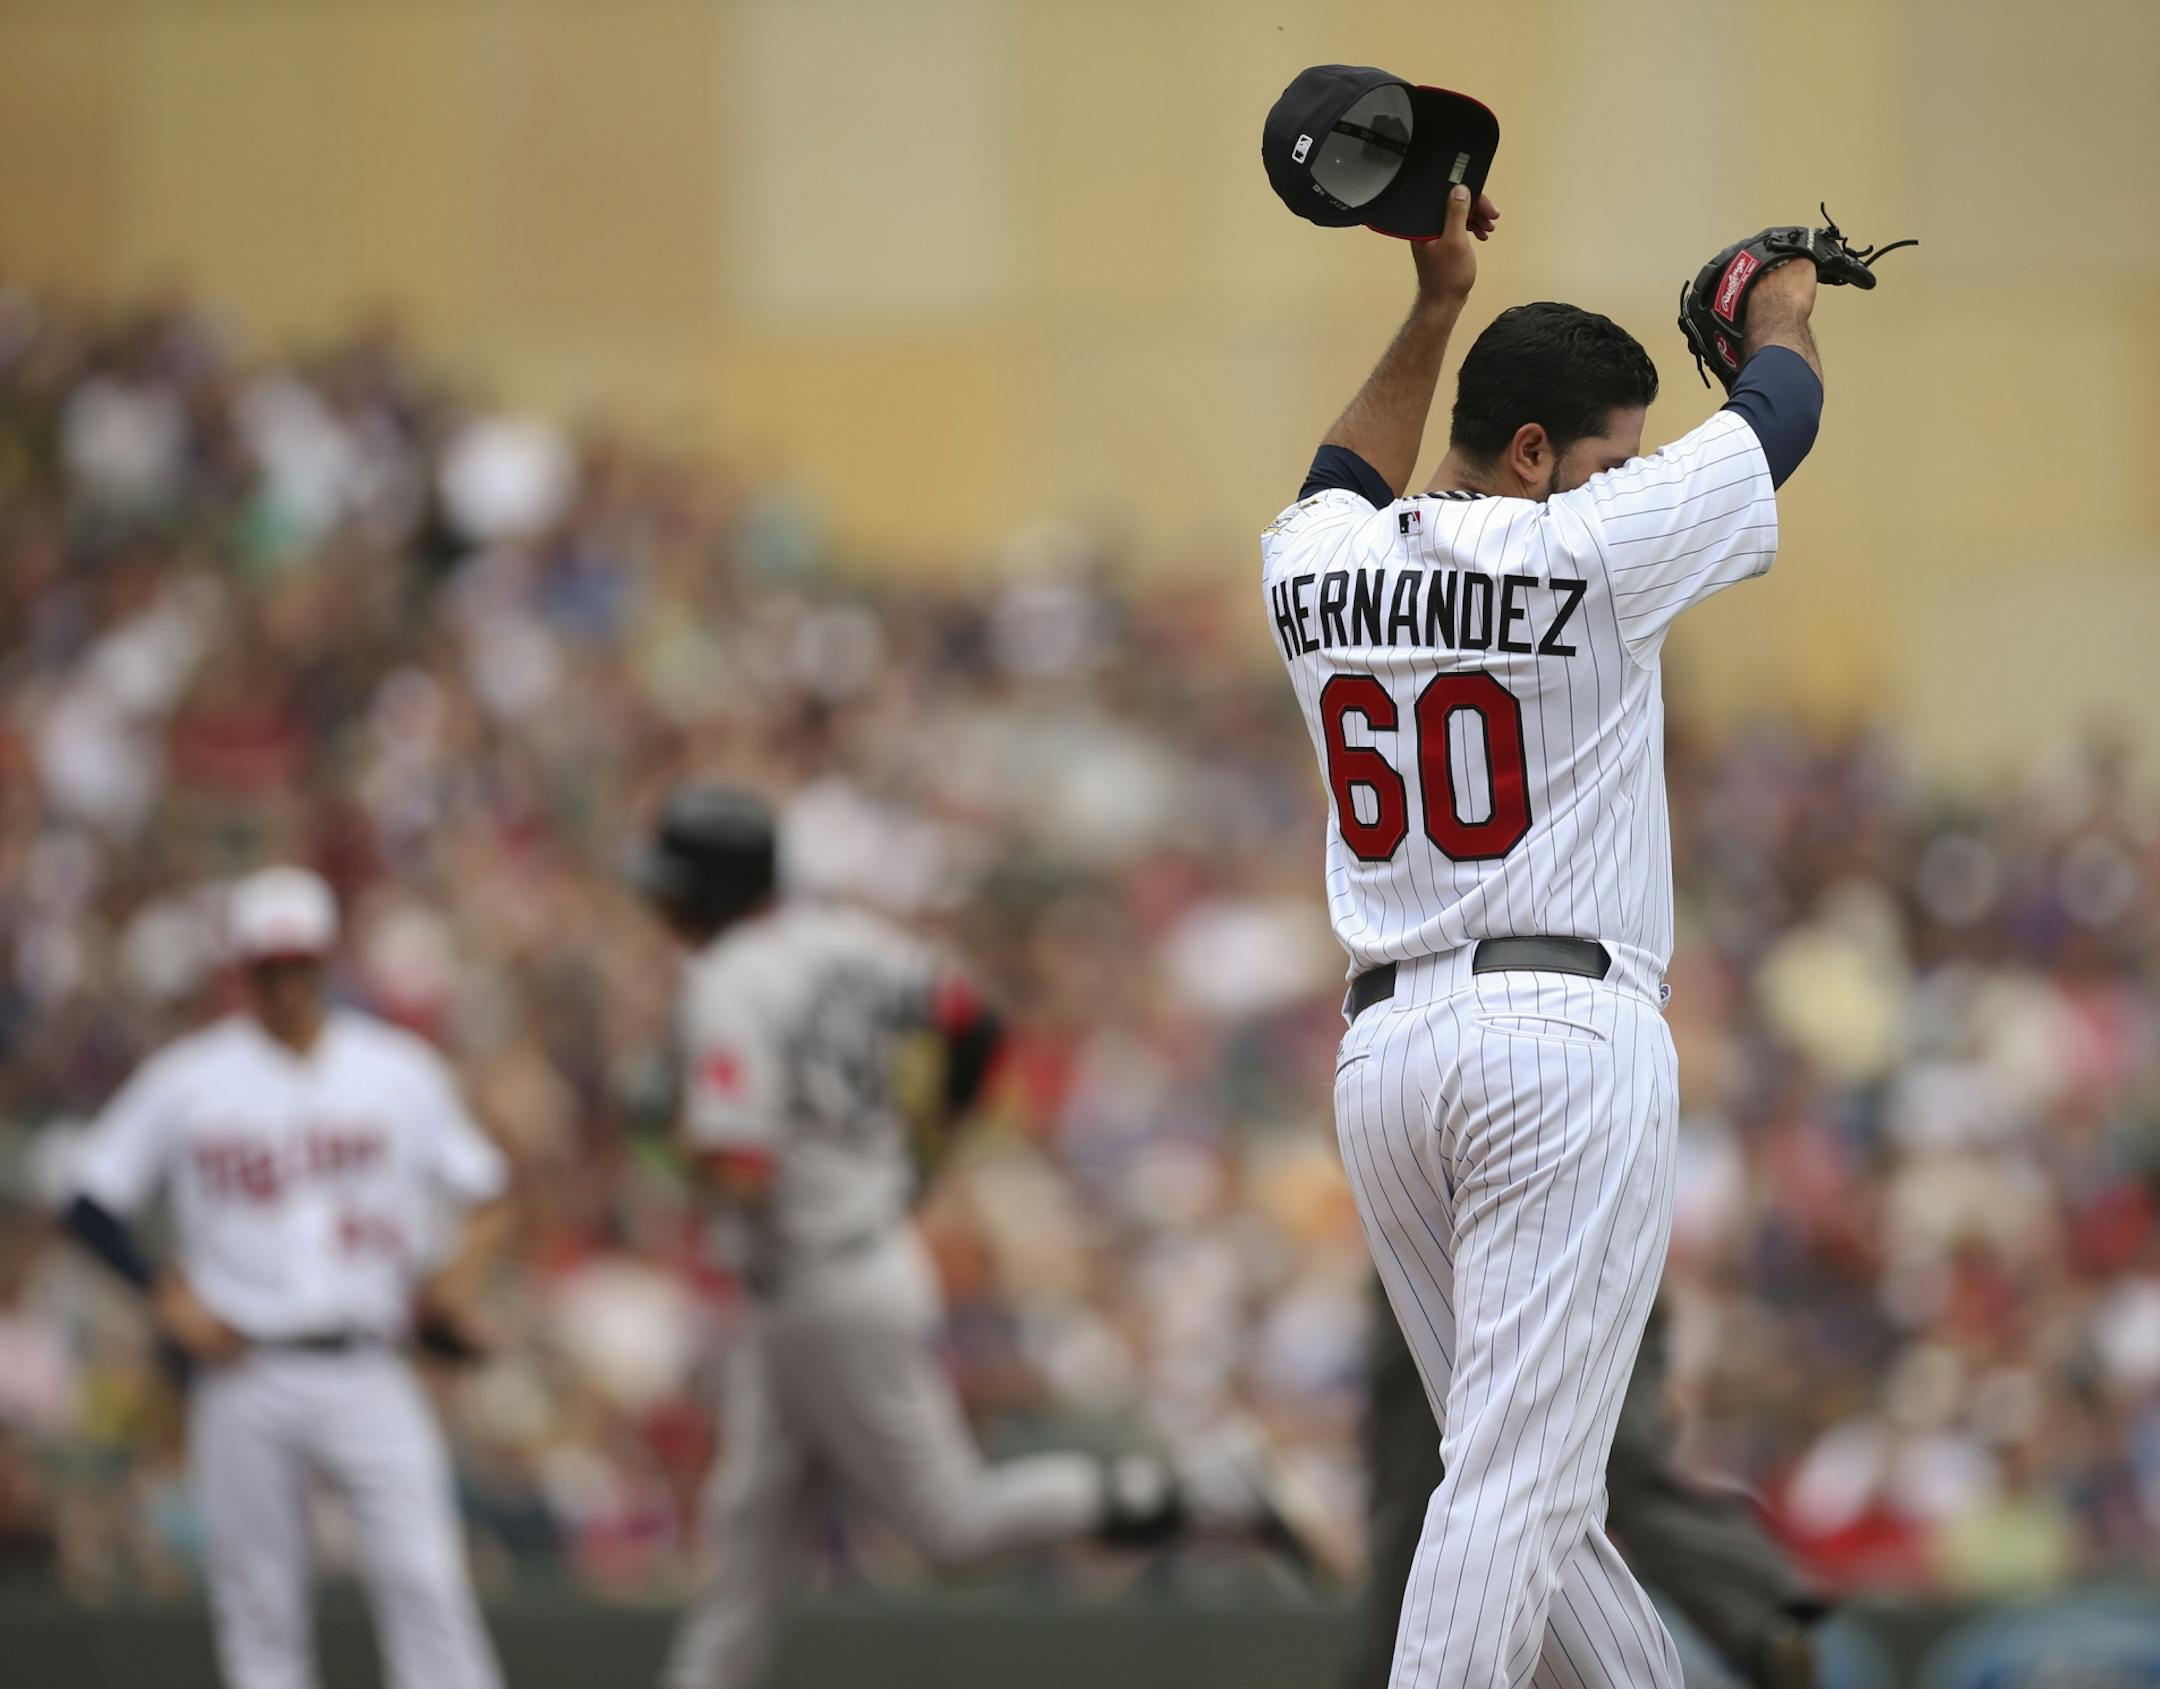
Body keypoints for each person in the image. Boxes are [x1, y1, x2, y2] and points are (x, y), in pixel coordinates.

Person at [1260, 181, 1826, 1688]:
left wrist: (1433, 301)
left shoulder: (1310, 562)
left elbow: (1336, 468)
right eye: (1600, 456)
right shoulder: (1584, 546)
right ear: (1530, 453)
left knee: (1535, 1490)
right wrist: (1782, 302)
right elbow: (1776, 421)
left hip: (1385, 1058)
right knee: (1513, 1488)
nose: (1620, 479)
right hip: (1560, 1043)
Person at [631, 784, 1320, 1689]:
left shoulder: (728, 979)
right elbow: (976, 1026)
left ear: (710, 891)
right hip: (846, 1261)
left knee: (949, 1525)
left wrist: (663, 1141)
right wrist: (928, 1140)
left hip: (819, 1280)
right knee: (748, 1534)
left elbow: (743, 1171)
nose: (661, 907)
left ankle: (1202, 1492)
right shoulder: (854, 941)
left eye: (675, 889)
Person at [61, 865, 510, 1689]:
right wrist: (163, 1291)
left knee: (427, 1581)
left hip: (371, 1360)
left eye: (300, 964)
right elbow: (88, 1196)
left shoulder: (398, 1069)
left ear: (326, 963)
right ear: (242, 972)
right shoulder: (190, 1077)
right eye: (269, 967)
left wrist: (456, 1279)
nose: (287, 983)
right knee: (260, 1601)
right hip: (247, 1366)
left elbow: (487, 1189)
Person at [1351, 1292, 1826, 1689]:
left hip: (1536, 1240)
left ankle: (1761, 1609)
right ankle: (1761, 1608)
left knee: (1487, 1484)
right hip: (1509, 1249)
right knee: (1518, 1482)